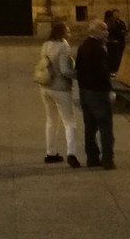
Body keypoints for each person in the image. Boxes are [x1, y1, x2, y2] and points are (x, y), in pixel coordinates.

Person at [37, 22, 80, 168]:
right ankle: (71, 153)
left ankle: (50, 152)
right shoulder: (63, 47)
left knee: (51, 120)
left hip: (45, 86)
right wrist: (79, 75)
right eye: (67, 32)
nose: (69, 34)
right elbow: (65, 70)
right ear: (62, 33)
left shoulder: (46, 45)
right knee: (69, 121)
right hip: (60, 88)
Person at [75, 20, 115, 170]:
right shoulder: (98, 49)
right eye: (103, 30)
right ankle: (107, 159)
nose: (107, 32)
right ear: (95, 31)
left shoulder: (83, 46)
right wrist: (109, 89)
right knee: (105, 126)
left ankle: (92, 157)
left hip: (85, 91)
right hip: (98, 92)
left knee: (90, 127)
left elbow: (78, 67)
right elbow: (102, 72)